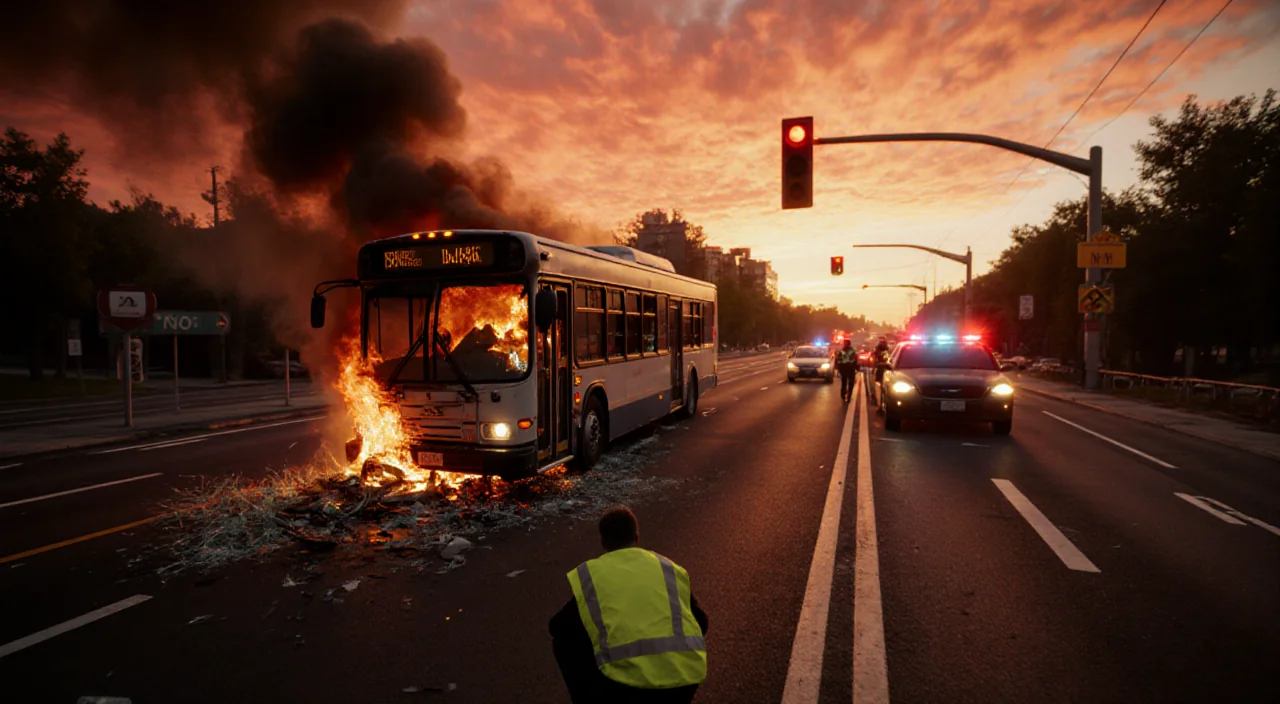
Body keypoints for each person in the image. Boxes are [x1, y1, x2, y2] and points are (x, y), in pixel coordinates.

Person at [550, 507, 709, 703]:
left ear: (603, 542)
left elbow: (557, 627)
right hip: (683, 681)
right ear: (636, 537)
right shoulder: (668, 567)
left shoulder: (592, 575)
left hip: (624, 686)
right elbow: (702, 622)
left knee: (563, 640)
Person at [835, 339, 860, 403]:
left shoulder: (842, 351)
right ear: (850, 344)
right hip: (851, 369)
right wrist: (857, 368)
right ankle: (849, 397)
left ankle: (843, 395)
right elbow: (856, 361)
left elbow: (838, 361)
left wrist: (838, 369)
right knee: (851, 384)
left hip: (844, 369)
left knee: (844, 383)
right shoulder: (853, 351)